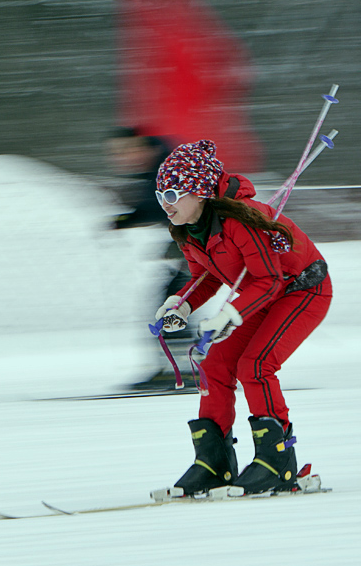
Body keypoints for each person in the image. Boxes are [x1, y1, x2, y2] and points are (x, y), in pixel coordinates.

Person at [151, 140, 331, 494]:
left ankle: (277, 462)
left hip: (302, 289)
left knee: (256, 365)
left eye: (172, 193)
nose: (166, 204)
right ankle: (214, 463)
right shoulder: (189, 230)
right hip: (260, 295)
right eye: (160, 196)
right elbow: (208, 276)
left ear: (199, 193)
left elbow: (270, 278)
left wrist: (230, 314)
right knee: (215, 365)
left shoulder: (239, 221)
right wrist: (181, 304)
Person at [104, 127, 194, 391]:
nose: (121, 158)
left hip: (206, 245)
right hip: (196, 246)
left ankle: (184, 370)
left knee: (174, 304)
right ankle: (182, 368)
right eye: (115, 153)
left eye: (127, 151)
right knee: (176, 304)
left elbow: (165, 206)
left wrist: (127, 219)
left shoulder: (170, 169)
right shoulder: (162, 168)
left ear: (147, 148)